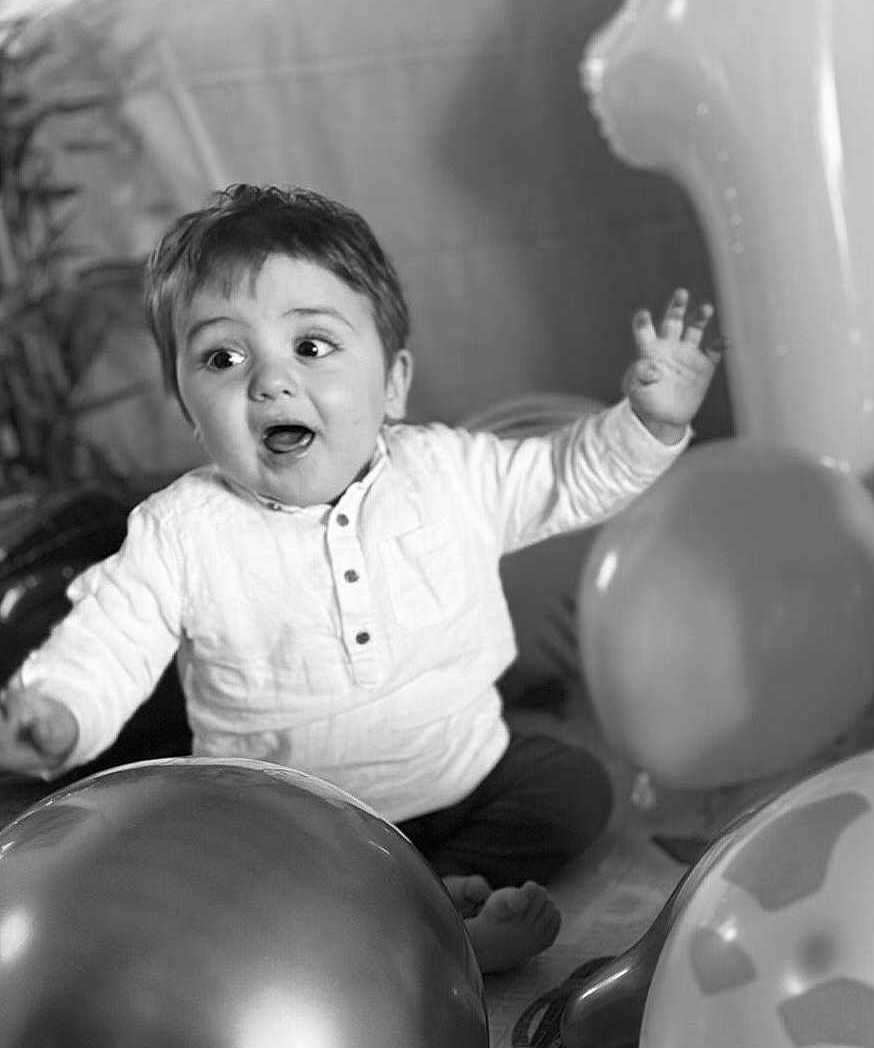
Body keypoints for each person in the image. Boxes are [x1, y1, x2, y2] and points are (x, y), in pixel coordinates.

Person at [0, 183, 722, 974]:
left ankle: (435, 902)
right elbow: (112, 633)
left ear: (395, 383)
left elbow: (566, 473)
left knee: (571, 787)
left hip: (464, 772)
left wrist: (649, 423)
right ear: (186, 408)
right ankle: (422, 925)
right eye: (221, 357)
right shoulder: (182, 531)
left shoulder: (450, 471)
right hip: (301, 820)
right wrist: (59, 709)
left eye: (311, 346)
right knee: (228, 886)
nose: (270, 382)